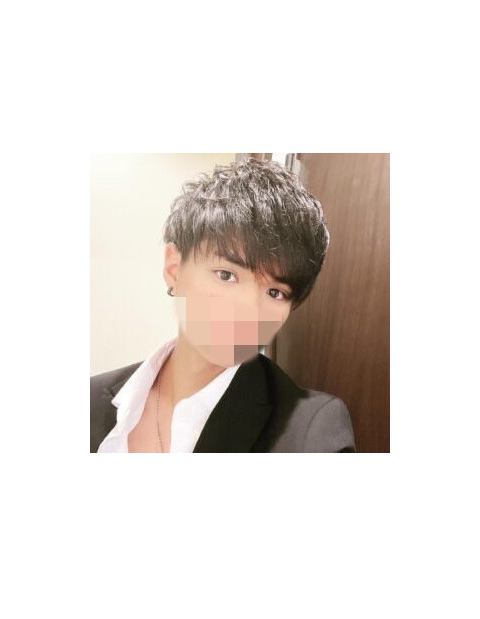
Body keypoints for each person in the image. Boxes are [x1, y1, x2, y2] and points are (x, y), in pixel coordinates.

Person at [90, 158, 356, 453]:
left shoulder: (311, 429)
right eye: (226, 275)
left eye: (275, 292)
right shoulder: (90, 399)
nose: (249, 311)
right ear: (174, 268)